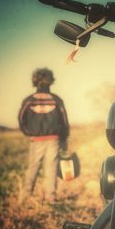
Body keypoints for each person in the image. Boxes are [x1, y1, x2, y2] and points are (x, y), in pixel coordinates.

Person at [18, 67, 69, 204]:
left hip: (35, 140)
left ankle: (26, 197)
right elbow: (64, 122)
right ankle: (50, 197)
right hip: (54, 140)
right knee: (51, 168)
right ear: (51, 81)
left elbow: (21, 120)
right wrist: (64, 139)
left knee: (33, 167)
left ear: (35, 81)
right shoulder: (57, 100)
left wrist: (28, 133)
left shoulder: (28, 100)